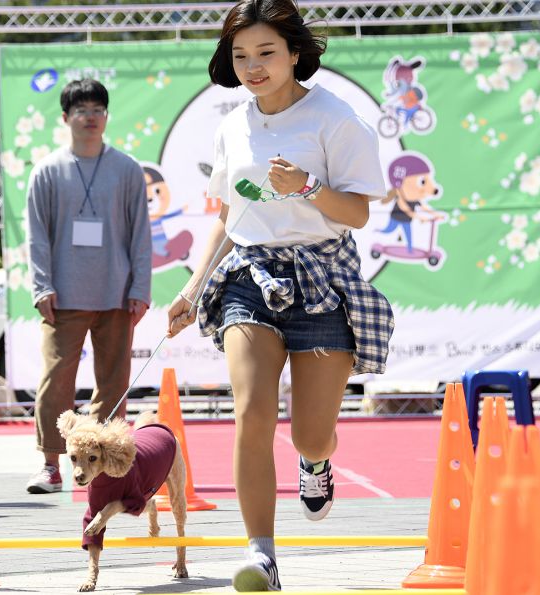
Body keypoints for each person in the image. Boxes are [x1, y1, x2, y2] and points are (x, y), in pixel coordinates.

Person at [166, 1, 394, 591]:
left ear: (296, 53)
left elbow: (360, 212)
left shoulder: (336, 119)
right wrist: (192, 288)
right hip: (249, 278)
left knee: (309, 433)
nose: (253, 66)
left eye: (266, 52)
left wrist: (309, 187)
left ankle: (316, 462)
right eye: (241, 56)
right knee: (251, 411)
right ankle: (261, 554)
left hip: (322, 277)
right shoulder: (231, 125)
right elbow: (227, 213)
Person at [25, 79, 152, 494]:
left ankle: (103, 467)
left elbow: (140, 234)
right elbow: (36, 236)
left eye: (98, 108)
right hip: (63, 295)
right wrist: (42, 286)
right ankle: (50, 463)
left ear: (106, 116)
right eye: (81, 110)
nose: (91, 116)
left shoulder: (127, 169)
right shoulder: (46, 171)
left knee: (114, 382)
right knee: (55, 381)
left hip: (117, 293)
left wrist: (140, 287)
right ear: (65, 118)